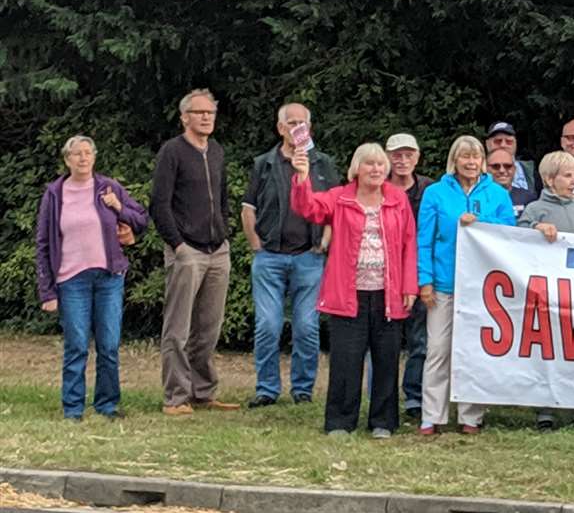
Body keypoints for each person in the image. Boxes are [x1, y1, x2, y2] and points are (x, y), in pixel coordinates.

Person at [290, 143, 417, 438]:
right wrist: (301, 177)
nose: (376, 169)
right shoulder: (340, 197)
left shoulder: (397, 199)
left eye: (380, 164)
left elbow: (410, 243)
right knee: (346, 359)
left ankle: (383, 422)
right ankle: (340, 422)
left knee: (386, 359)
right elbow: (307, 207)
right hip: (348, 293)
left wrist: (410, 284)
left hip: (388, 292)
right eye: (369, 164)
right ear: (356, 168)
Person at [35, 136, 149, 421]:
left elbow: (141, 219)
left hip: (109, 277)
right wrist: (47, 291)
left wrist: (118, 207)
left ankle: (107, 405)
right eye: (77, 154)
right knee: (76, 345)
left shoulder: (109, 188)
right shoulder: (55, 194)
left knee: (109, 345)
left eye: (88, 153)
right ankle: (73, 408)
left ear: (94, 158)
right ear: (67, 160)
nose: (83, 158)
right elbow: (43, 243)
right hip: (71, 278)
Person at [240, 103, 338, 408]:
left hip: (309, 257)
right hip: (269, 257)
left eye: (302, 122)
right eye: (291, 122)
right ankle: (267, 389)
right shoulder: (264, 163)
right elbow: (248, 207)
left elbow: (336, 208)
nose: (297, 127)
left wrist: (324, 242)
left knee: (307, 327)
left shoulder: (323, 164)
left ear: (310, 128)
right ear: (281, 128)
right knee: (267, 325)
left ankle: (302, 389)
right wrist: (255, 243)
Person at [416, 135, 515, 436]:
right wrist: (425, 280)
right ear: (454, 160)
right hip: (444, 283)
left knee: (473, 351)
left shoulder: (498, 195)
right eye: (465, 157)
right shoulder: (435, 193)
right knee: (437, 350)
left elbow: (510, 234)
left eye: (476, 157)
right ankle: (432, 414)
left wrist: (480, 219)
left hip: (482, 286)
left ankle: (471, 415)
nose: (471, 163)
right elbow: (424, 239)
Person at [151, 88, 239, 415]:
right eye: (200, 113)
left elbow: (224, 197)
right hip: (186, 250)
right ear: (184, 117)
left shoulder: (216, 151)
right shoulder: (172, 152)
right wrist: (178, 245)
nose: (206, 118)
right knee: (178, 328)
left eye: (211, 113)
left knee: (209, 327)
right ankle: (175, 397)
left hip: (218, 250)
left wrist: (225, 234)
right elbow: (159, 204)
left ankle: (203, 393)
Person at [519, 150, 574, 433]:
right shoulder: (534, 208)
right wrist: (536, 228)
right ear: (549, 179)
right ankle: (545, 411)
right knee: (547, 350)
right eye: (568, 175)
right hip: (546, 294)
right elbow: (513, 239)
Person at [386, 133, 433, 421]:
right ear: (388, 157)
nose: (402, 160)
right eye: (396, 155)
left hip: (419, 272)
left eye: (408, 155)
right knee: (382, 342)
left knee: (420, 341)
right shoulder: (376, 186)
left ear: (417, 157)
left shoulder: (430, 189)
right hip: (384, 273)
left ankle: (414, 397)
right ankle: (381, 394)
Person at [487, 146, 537, 220]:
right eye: (496, 166)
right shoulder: (476, 198)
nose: (502, 170)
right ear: (485, 169)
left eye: (508, 166)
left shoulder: (529, 198)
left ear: (514, 169)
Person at [484, 121, 536, 191]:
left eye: (509, 142)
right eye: (498, 141)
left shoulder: (531, 172)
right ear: (488, 144)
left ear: (515, 144)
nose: (503, 145)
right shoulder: (476, 172)